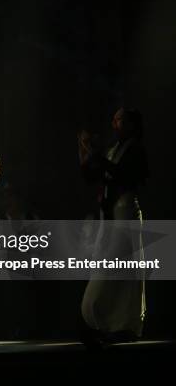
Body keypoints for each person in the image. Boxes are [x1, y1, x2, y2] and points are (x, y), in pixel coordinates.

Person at [78, 108, 149, 347]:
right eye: (115, 119)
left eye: (119, 119)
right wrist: (86, 151)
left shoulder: (136, 149)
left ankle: (122, 325)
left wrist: (98, 157)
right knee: (109, 266)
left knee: (119, 268)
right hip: (109, 215)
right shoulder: (113, 150)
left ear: (130, 124)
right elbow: (92, 175)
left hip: (125, 212)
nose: (114, 123)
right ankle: (106, 323)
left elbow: (126, 176)